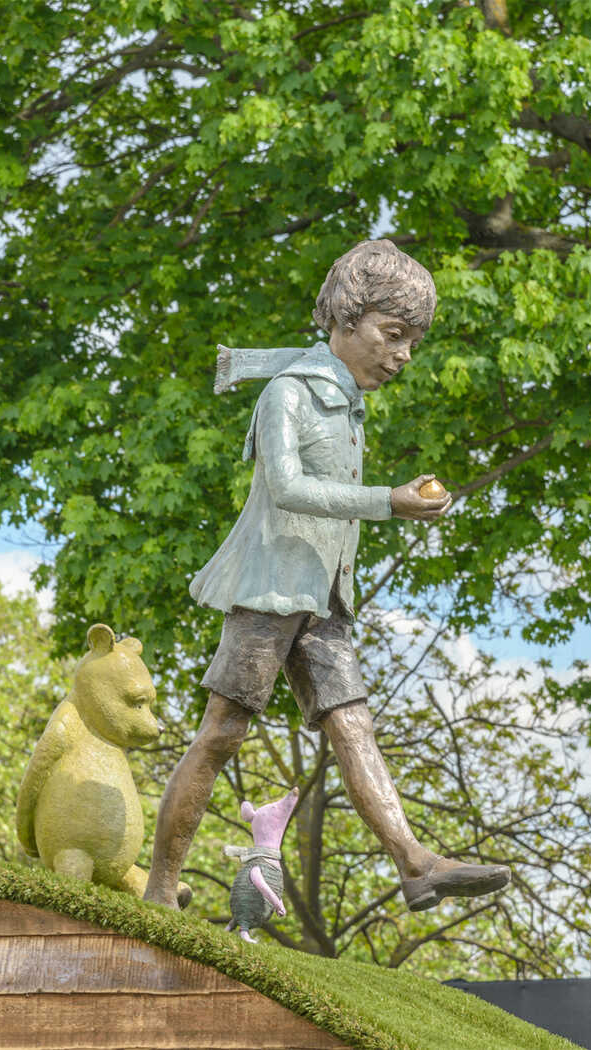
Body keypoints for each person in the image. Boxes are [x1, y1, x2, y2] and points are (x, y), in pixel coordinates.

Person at [145, 239, 510, 912]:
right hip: (269, 589)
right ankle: (160, 889)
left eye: (412, 342)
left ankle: (415, 863)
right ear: (345, 319)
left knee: (352, 726)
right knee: (222, 732)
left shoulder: (346, 402)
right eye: (393, 335)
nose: (403, 355)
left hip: (322, 600)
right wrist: (388, 501)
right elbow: (287, 488)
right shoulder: (289, 394)